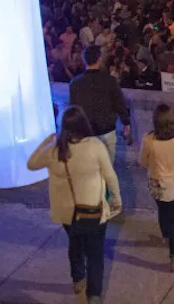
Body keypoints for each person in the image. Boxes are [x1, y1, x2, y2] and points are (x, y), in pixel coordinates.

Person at [27, 106, 121, 304]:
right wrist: (116, 199)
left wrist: (47, 141)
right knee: (95, 254)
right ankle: (94, 295)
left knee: (75, 243)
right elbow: (110, 176)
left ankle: (78, 279)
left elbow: (31, 163)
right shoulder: (95, 145)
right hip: (93, 211)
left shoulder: (55, 150)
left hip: (67, 212)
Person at [138, 105, 174, 272]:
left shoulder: (149, 140)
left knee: (162, 209)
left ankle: (165, 234)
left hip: (158, 183)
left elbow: (142, 162)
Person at [69, 45, 131, 159]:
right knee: (107, 166)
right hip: (106, 129)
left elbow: (72, 108)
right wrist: (126, 122)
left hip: (85, 132)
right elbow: (119, 103)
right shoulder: (109, 80)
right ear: (99, 59)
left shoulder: (75, 83)